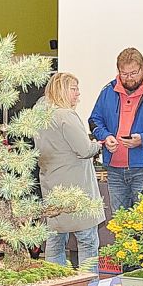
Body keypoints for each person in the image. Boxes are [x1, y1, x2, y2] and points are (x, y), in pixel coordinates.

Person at [33, 72, 103, 269]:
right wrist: (97, 145)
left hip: (51, 184)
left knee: (55, 242)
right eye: (74, 89)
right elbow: (84, 149)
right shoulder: (66, 115)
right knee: (87, 241)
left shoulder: (40, 115)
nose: (78, 94)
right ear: (62, 89)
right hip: (76, 187)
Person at [88, 47, 143, 212]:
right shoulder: (107, 91)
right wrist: (106, 137)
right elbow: (94, 120)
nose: (129, 78)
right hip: (114, 169)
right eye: (124, 74)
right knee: (119, 221)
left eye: (133, 73)